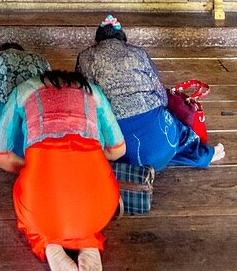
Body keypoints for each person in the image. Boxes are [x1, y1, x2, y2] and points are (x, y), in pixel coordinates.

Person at [0, 69, 125, 271]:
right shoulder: (93, 91)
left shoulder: (23, 91)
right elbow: (118, 149)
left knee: (22, 189)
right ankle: (87, 238)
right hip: (100, 210)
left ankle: (47, 241)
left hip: (42, 212)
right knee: (97, 179)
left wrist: (34, 166)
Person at [76, 15, 224, 171]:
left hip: (116, 148)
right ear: (123, 39)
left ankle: (133, 164)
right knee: (174, 130)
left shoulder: (85, 57)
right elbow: (161, 96)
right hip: (161, 142)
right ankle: (204, 154)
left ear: (97, 40)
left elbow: (83, 95)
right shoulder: (138, 52)